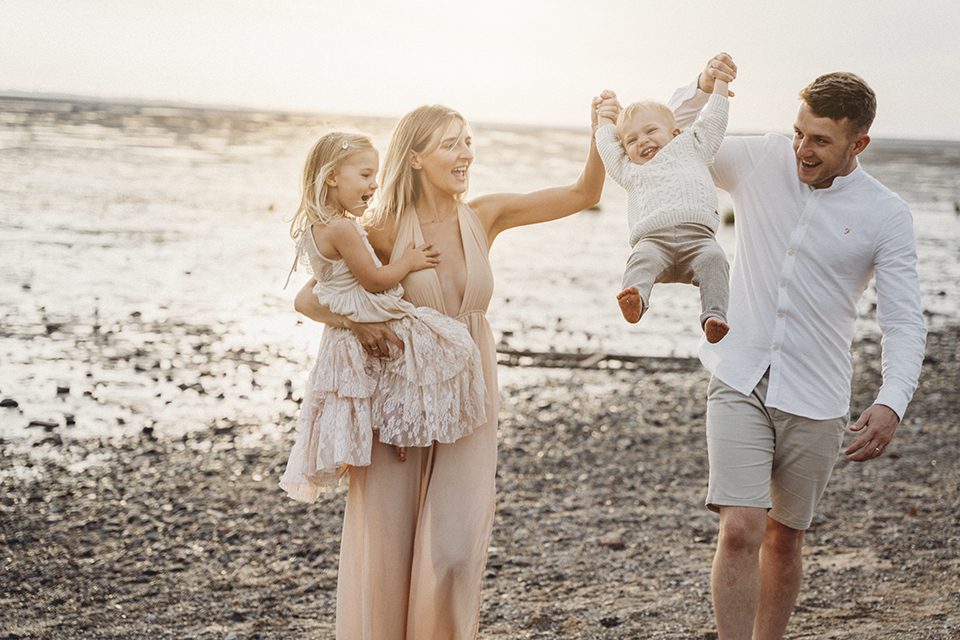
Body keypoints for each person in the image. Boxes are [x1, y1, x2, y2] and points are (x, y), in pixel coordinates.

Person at [294, 102, 606, 638]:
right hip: (399, 400)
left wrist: (601, 132)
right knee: (387, 549)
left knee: (455, 553)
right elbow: (308, 298)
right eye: (450, 144)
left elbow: (584, 195)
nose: (466, 153)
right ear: (414, 158)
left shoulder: (484, 215)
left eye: (467, 141)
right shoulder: (383, 229)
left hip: (469, 393)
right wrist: (363, 327)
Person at [670, 53, 926, 638]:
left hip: (815, 395)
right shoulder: (762, 158)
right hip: (738, 375)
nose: (802, 151)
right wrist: (703, 85)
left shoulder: (886, 214)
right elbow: (678, 138)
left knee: (784, 538)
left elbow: (905, 320)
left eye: (819, 141)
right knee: (740, 528)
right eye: (798, 133)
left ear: (858, 144)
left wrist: (893, 401)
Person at [277, 131, 487, 503]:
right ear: (331, 177)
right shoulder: (343, 229)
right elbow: (373, 282)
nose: (374, 185)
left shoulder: (318, 227)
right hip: (368, 313)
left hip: (349, 326)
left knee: (394, 366)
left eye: (375, 176)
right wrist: (408, 262)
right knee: (451, 344)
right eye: (365, 175)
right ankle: (413, 432)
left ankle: (402, 434)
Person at [594, 78, 732, 343]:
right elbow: (608, 149)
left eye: (650, 131)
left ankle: (714, 317)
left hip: (700, 241)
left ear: (676, 133)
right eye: (631, 140)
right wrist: (604, 119)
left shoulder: (693, 147)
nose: (642, 141)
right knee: (640, 259)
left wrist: (721, 86)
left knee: (716, 260)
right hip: (654, 242)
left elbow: (714, 121)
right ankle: (636, 299)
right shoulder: (629, 169)